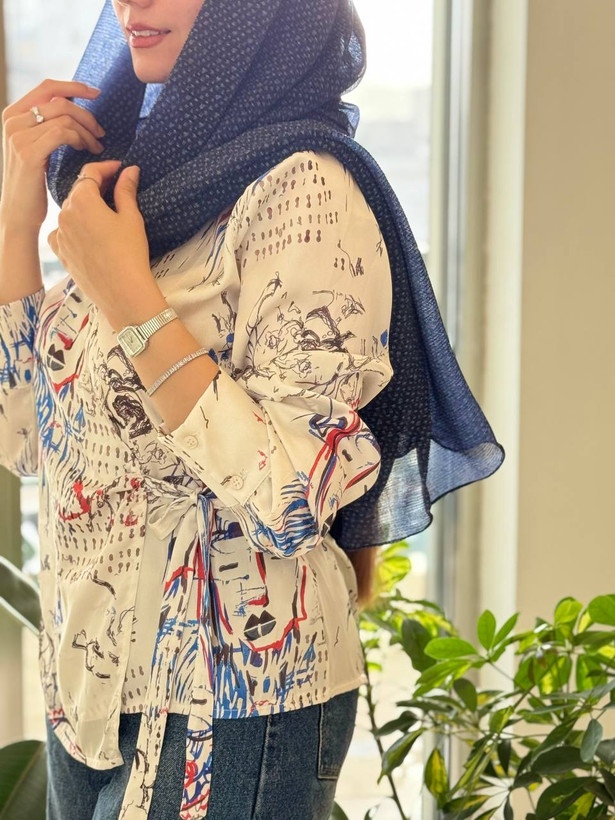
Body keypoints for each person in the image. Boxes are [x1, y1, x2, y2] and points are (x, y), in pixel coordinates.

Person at [0, 1, 505, 818]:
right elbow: (25, 439)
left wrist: (128, 298)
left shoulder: (306, 189)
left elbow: (292, 500)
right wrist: (18, 215)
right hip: (85, 693)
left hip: (232, 706)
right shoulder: (137, 181)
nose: (131, 2)